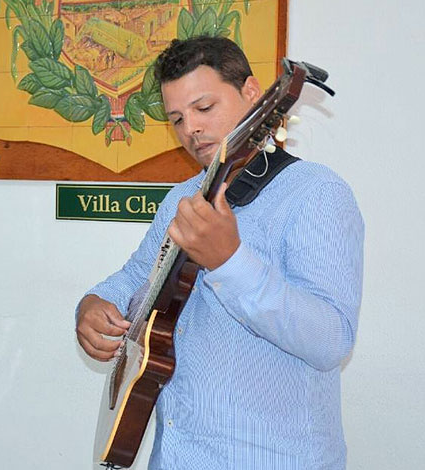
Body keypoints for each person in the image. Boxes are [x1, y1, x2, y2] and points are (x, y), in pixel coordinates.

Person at [75, 36, 363, 469]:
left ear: (251, 93)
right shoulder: (181, 199)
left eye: (203, 108)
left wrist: (230, 262)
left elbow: (330, 341)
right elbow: (136, 278)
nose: (190, 128)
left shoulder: (318, 194)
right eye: (176, 118)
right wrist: (93, 305)